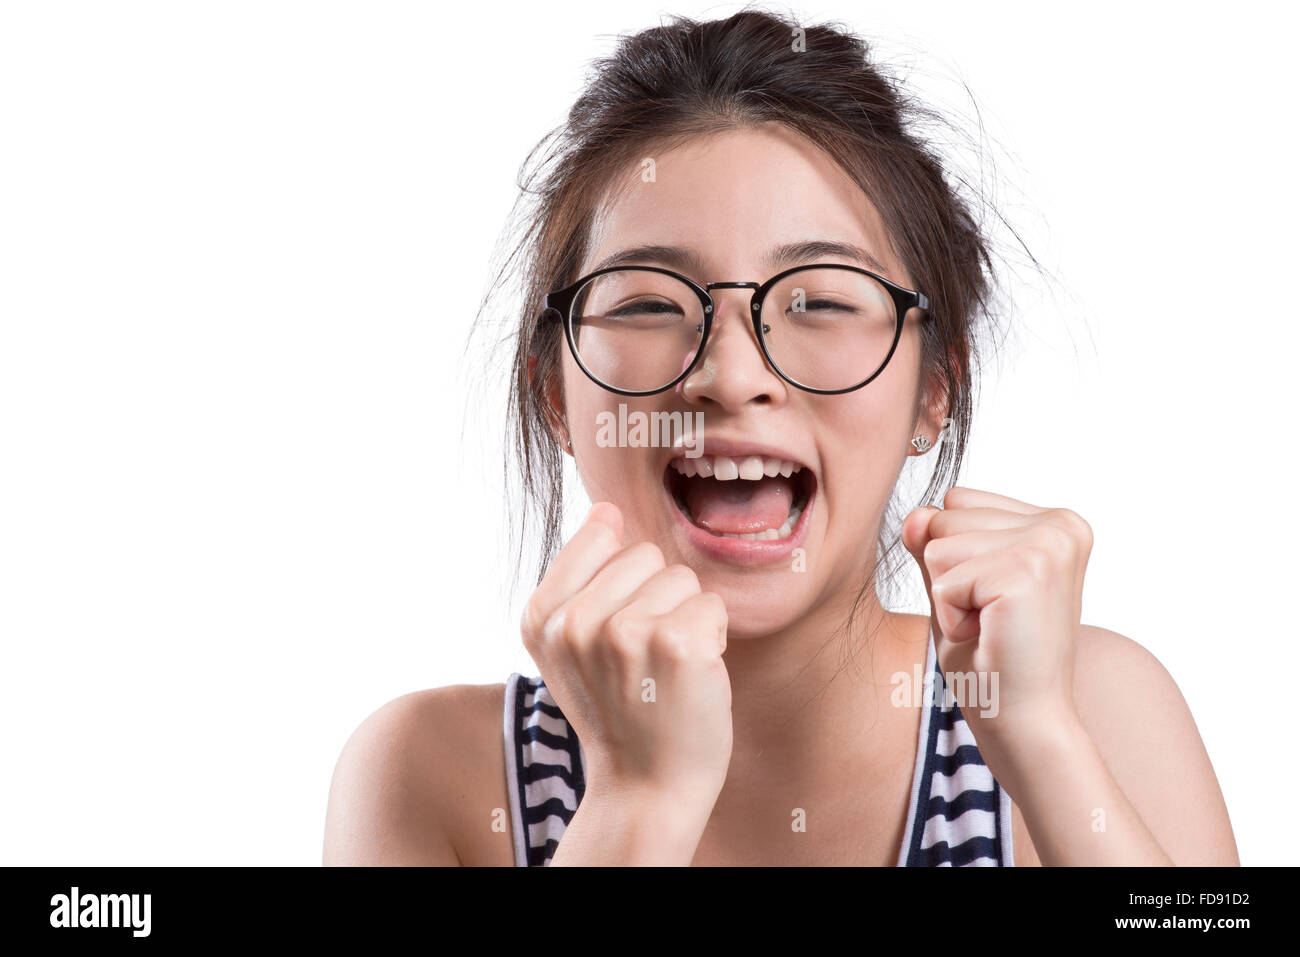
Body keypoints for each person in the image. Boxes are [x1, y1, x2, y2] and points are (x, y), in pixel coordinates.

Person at [323, 9, 1238, 866]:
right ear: (553, 395)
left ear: (935, 391)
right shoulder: (428, 773)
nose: (731, 373)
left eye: (823, 300)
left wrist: (1042, 742)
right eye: (647, 301)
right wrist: (638, 805)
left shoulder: (1088, 706)